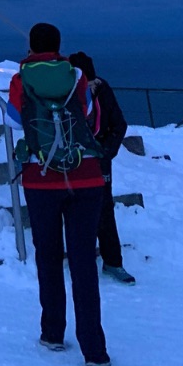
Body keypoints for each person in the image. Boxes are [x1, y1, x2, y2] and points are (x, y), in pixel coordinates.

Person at [8, 23, 110, 366]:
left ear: (30, 47)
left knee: (48, 257)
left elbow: (13, 120)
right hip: (85, 177)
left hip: (41, 179)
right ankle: (95, 351)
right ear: (59, 46)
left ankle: (53, 332)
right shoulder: (78, 76)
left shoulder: (21, 79)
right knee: (83, 263)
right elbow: (92, 124)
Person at [69, 51, 136, 285]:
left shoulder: (102, 90)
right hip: (73, 160)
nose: (88, 86)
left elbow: (119, 124)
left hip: (99, 159)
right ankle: (80, 260)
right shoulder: (65, 93)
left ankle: (113, 262)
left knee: (104, 209)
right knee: (73, 209)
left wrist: (105, 151)